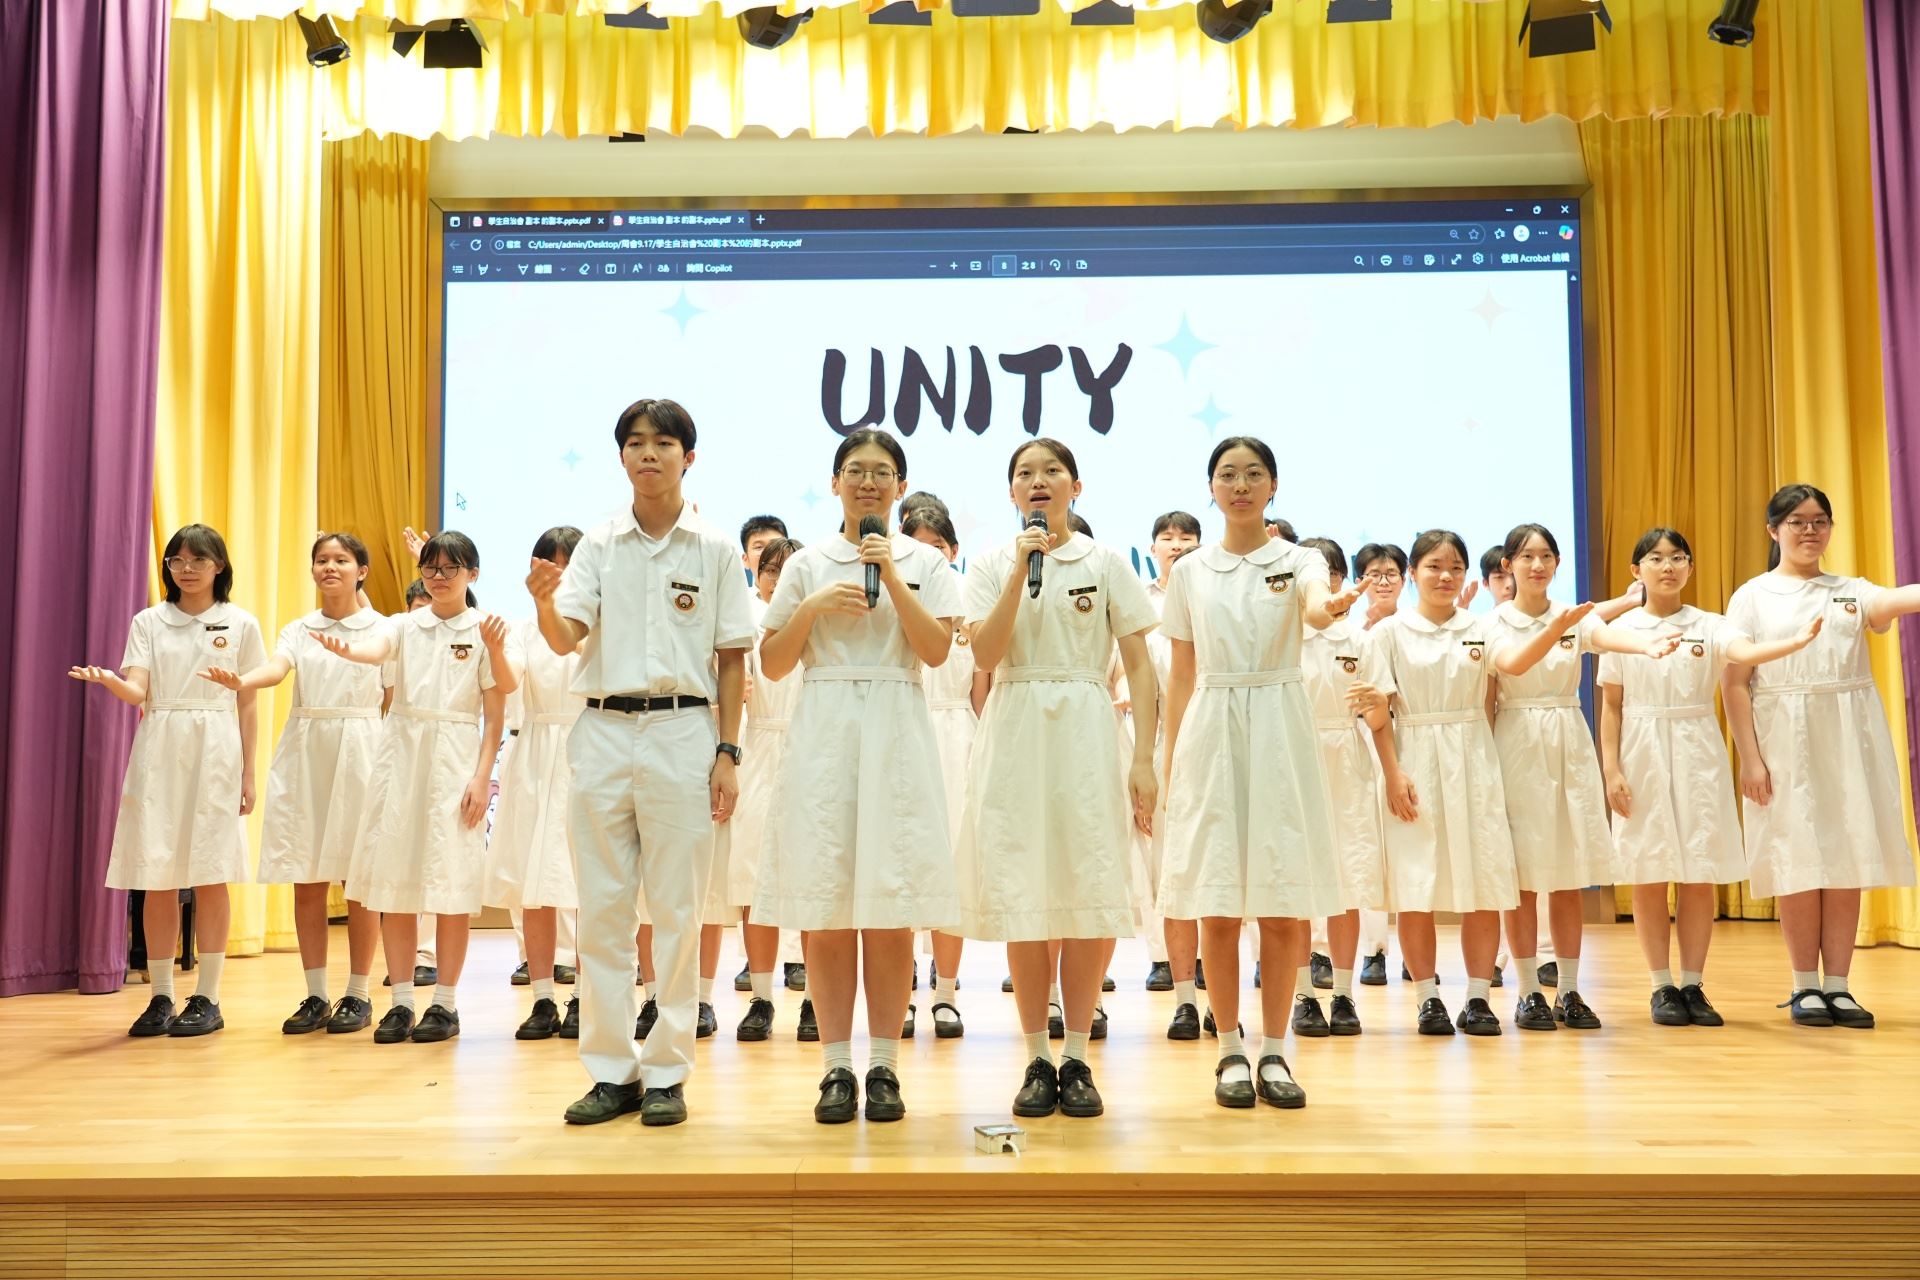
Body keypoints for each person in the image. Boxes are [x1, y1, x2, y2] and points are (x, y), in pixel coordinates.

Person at [531, 398, 751, 1127]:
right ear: (621, 456)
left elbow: (732, 658)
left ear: (689, 456)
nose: (648, 454)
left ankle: (666, 1072)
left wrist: (727, 750)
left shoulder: (714, 548)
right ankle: (610, 1070)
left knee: (678, 911)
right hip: (602, 729)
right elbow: (565, 638)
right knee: (602, 909)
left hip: (685, 730)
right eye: (634, 443)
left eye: (662, 443)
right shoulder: (599, 543)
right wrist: (543, 604)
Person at [755, 428, 962, 1124]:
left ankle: (886, 1067)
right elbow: (773, 664)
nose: (867, 482)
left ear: (900, 485)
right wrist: (812, 607)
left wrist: (892, 576)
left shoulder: (925, 562)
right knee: (827, 904)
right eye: (855, 470)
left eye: (880, 472)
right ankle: (836, 1067)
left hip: (897, 727)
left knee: (890, 904)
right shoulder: (807, 563)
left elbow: (936, 651)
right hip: (826, 731)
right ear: (835, 481)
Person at [955, 439, 1158, 1120]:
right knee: (1024, 890)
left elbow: (1140, 666)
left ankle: (1077, 1055)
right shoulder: (991, 564)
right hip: (1015, 726)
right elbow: (985, 653)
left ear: (1076, 485)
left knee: (1089, 886)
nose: (1038, 481)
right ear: (1012, 492)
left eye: (1051, 472)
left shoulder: (1106, 562)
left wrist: (1144, 757)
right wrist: (1021, 569)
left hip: (1087, 728)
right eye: (1025, 474)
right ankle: (1037, 1055)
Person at [1159, 439, 1360, 1109]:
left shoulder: (1299, 561)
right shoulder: (1191, 571)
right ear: (1211, 488)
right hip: (1212, 728)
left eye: (1253, 474)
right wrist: (1170, 760)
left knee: (1279, 904)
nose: (1240, 485)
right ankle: (1228, 1050)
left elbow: (1314, 606)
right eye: (1228, 475)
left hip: (1279, 724)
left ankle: (1274, 1050)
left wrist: (1332, 607)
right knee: (1217, 906)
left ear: (1273, 486)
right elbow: (1181, 673)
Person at [1598, 526, 1821, 1026]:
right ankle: (1661, 985)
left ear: (1690, 568)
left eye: (1678, 558)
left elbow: (1745, 654)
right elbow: (1611, 705)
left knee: (1698, 871)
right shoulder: (1622, 630)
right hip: (1641, 749)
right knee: (1649, 870)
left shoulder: (1711, 624)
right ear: (1636, 570)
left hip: (1698, 747)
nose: (1668, 567)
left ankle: (1692, 984)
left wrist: (1794, 642)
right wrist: (1611, 770)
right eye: (1656, 558)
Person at [1723, 484, 1920, 1028]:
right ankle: (1804, 985)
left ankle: (1839, 986)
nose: (1809, 530)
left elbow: (1900, 598)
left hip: (1847, 740)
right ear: (1774, 530)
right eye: (1797, 521)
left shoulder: (1851, 591)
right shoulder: (1752, 596)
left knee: (1845, 857)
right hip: (1782, 739)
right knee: (1797, 859)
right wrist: (1750, 759)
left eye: (1819, 521)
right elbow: (1734, 683)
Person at [72, 524, 264, 1037]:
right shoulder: (149, 621)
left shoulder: (240, 623)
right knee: (156, 873)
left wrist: (248, 772)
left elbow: (247, 702)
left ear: (219, 566)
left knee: (212, 870)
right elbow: (138, 691)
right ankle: (161, 996)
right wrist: (110, 681)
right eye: (177, 559)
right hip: (159, 745)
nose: (187, 568)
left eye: (198, 560)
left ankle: (209, 997)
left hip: (216, 746)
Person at [326, 532, 516, 1045]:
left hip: (455, 759)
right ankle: (402, 1002)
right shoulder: (403, 624)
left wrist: (481, 777)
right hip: (401, 759)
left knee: (450, 888)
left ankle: (445, 1005)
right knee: (395, 884)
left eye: (451, 568)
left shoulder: (486, 629)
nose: (438, 577)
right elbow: (376, 648)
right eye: (431, 568)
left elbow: (497, 715)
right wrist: (350, 650)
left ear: (472, 574)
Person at [1487, 523, 1676, 1032]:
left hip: (1568, 738)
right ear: (1508, 565)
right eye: (1527, 556)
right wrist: (1563, 627)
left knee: (1568, 875)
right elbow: (1514, 665)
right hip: (1517, 740)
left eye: (1547, 556)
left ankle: (1569, 990)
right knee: (1523, 879)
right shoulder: (1495, 622)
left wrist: (1646, 646)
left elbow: (1607, 633)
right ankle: (1528, 991)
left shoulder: (1572, 616)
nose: (1537, 565)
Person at [199, 532, 387, 1036]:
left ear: (362, 571)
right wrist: (243, 680)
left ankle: (359, 993)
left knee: (358, 879)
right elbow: (276, 669)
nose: (330, 567)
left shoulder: (384, 630)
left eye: (341, 560)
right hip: (307, 748)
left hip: (362, 749)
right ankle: (316, 994)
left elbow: (393, 698)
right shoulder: (299, 629)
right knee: (307, 874)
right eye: (322, 560)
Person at [1353, 530, 1515, 1037]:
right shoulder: (1387, 634)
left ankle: (1478, 998)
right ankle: (1427, 998)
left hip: (1473, 758)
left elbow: (1503, 681)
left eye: (1455, 568)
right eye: (1434, 567)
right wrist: (1392, 773)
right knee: (1415, 885)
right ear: (1413, 574)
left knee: (1483, 883)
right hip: (1414, 760)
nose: (1446, 576)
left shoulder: (1483, 628)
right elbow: (1379, 713)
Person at [487, 526, 588, 1041]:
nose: (560, 574)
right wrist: (493, 650)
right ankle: (544, 998)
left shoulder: (600, 622)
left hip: (588, 751)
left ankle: (585, 997)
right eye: (550, 564)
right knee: (536, 885)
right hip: (535, 755)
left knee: (589, 883)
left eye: (569, 564)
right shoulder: (524, 629)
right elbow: (508, 683)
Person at [1293, 536, 1385, 1038]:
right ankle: (1303, 995)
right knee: (1297, 885)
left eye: (1331, 572)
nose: (1324, 582)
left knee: (1348, 880)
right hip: (1294, 759)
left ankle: (1344, 993)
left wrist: (1377, 706)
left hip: (1347, 758)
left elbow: (1379, 715)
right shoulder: (1283, 636)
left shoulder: (1360, 640)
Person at [903, 505, 988, 1039]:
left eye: (937, 545)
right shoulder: (895, 593)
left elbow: (980, 691)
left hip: (959, 738)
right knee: (905, 866)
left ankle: (946, 994)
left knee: (951, 869)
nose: (928, 554)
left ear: (953, 551)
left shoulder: (967, 599)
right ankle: (901, 994)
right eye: (917, 544)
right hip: (906, 728)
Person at [728, 537, 813, 1042]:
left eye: (788, 570)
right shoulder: (747, 624)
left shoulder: (820, 620)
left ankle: (815, 1000)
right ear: (756, 576)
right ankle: (761, 998)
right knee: (753, 882)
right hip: (758, 749)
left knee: (814, 880)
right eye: (770, 570)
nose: (778, 580)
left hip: (809, 751)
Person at [1139, 513, 1201, 1007]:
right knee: (1163, 854)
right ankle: (1164, 957)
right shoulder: (1143, 604)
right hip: (1166, 734)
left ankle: (1208, 958)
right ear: (1153, 548)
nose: (1176, 545)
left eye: (1186, 538)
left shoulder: (1211, 596)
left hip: (1217, 731)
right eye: (1168, 538)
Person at [740, 515, 789, 588]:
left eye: (775, 545)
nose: (768, 552)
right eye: (759, 547)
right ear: (745, 560)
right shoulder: (739, 595)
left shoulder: (803, 593)